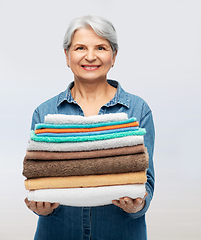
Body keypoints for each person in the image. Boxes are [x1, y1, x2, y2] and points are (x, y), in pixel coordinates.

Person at [24, 15, 155, 240]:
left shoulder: (137, 109)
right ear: (67, 56)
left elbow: (146, 178)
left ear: (113, 56)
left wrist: (138, 204)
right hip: (58, 233)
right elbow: (38, 173)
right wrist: (40, 207)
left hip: (121, 233)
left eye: (101, 47)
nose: (91, 56)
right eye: (80, 47)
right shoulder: (45, 113)